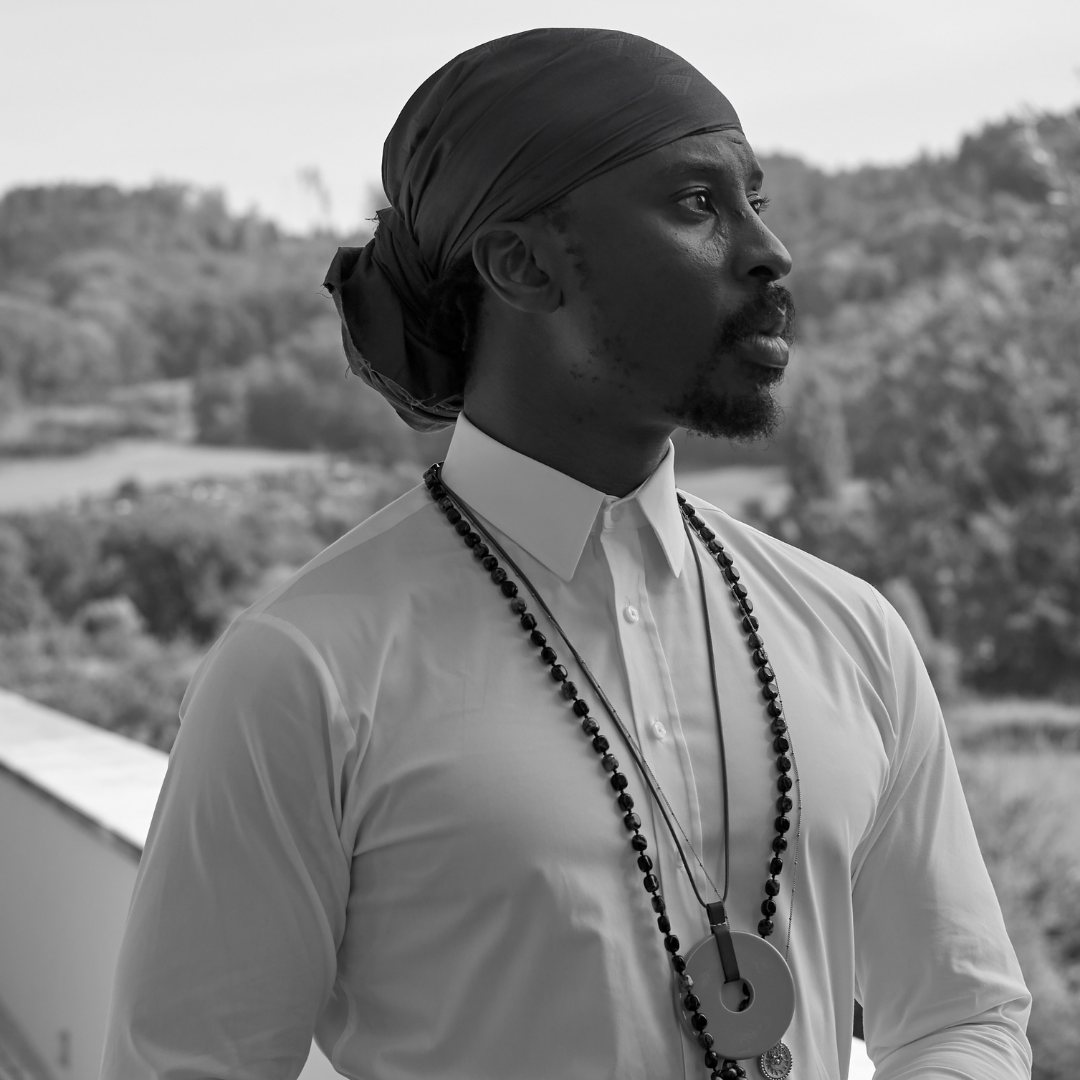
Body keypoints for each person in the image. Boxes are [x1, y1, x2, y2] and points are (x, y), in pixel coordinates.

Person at [100, 28, 1032, 1080]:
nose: (769, 251)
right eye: (696, 205)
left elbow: (964, 1020)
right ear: (520, 263)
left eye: (754, 199)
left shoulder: (850, 632)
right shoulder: (303, 671)